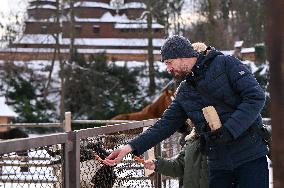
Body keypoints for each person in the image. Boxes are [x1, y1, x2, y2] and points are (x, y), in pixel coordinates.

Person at [104, 35, 269, 188]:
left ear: (182, 56)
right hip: (219, 163)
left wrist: (229, 130)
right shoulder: (184, 91)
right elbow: (164, 125)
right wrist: (129, 148)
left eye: (169, 62)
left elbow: (255, 98)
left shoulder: (226, 64)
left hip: (249, 156)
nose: (167, 68)